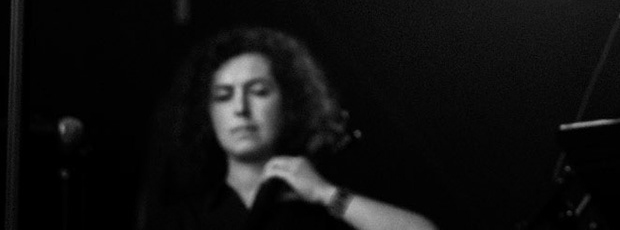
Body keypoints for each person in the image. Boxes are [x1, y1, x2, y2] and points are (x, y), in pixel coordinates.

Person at [139, 26, 436, 230]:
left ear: (290, 103)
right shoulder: (181, 222)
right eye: (224, 96)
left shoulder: (323, 211)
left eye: (258, 91)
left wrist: (328, 195)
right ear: (207, 113)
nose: (241, 109)